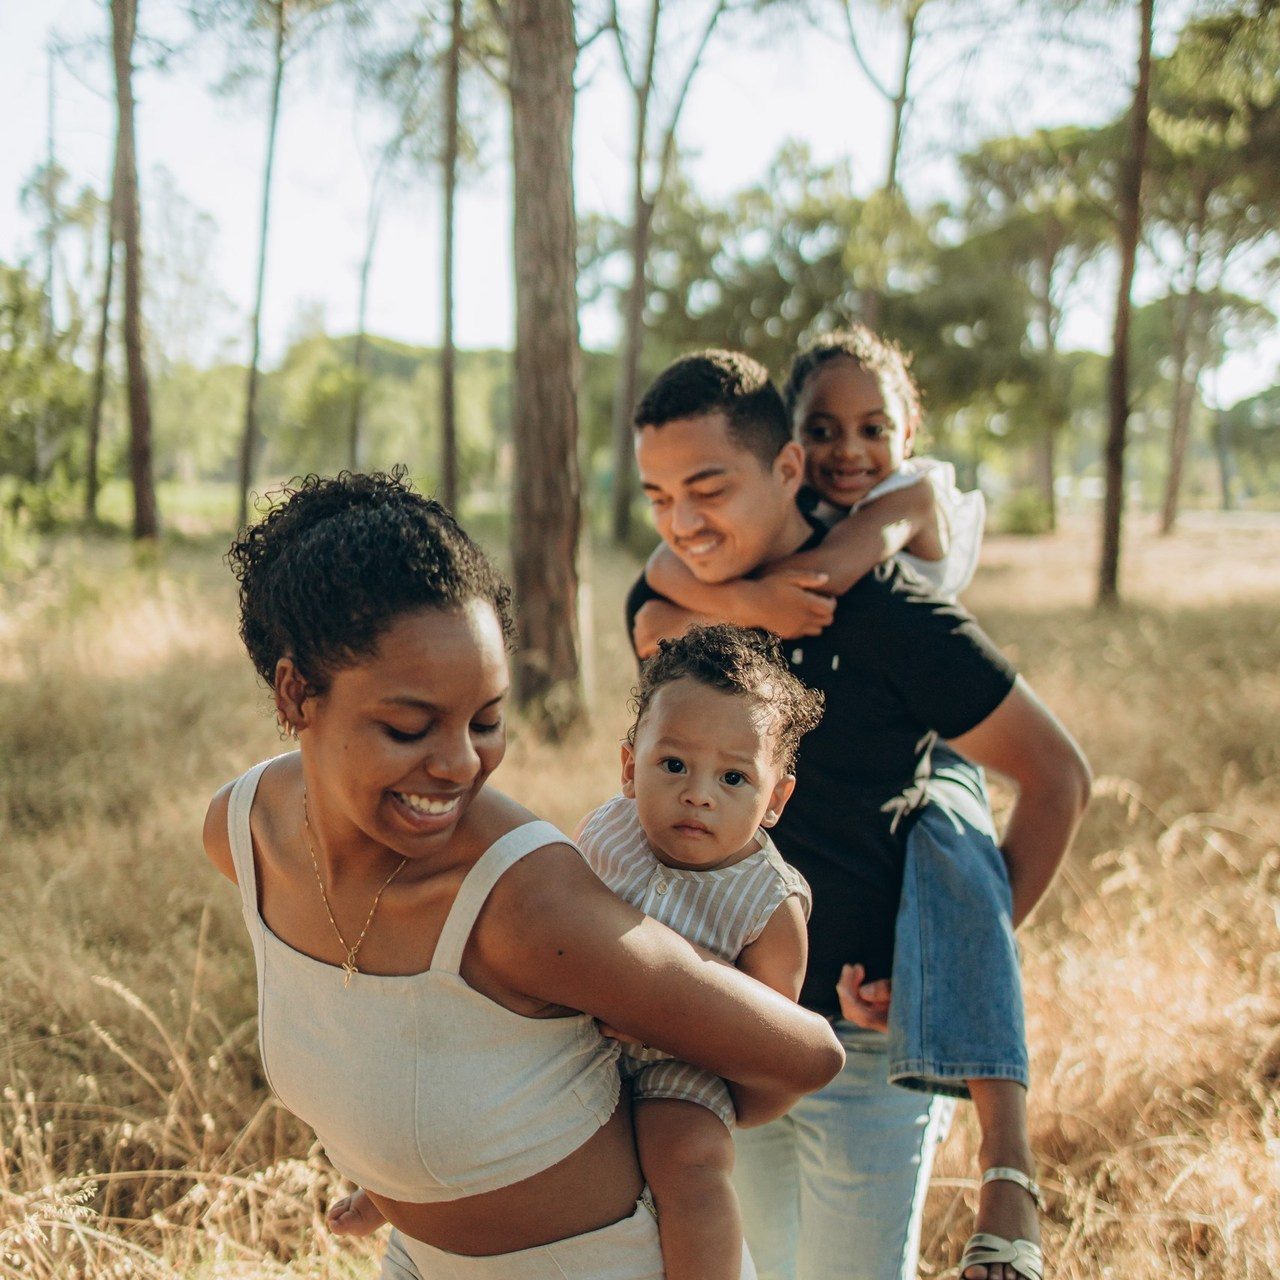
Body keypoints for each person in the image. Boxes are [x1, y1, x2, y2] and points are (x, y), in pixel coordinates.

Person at [202, 469, 845, 1279]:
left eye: (487, 719)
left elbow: (810, 1055)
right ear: (297, 694)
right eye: (409, 726)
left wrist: (671, 1000)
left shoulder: (527, 902)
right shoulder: (243, 831)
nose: (460, 764)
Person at [627, 352, 1092, 1280]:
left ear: (788, 467)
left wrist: (934, 970)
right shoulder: (684, 603)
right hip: (718, 1026)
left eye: (708, 488)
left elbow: (1057, 779)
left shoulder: (890, 615)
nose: (683, 522)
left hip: (858, 1046)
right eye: (658, 497)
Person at [574, 624, 825, 1280]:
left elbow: (769, 1047)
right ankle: (394, 1193)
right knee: (474, 1054)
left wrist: (676, 1025)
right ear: (630, 768)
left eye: (734, 777)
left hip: (679, 1068)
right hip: (569, 1024)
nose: (699, 793)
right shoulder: (607, 830)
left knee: (689, 1164)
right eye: (675, 764)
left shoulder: (769, 904)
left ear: (776, 798)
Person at [636, 325, 984, 658]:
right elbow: (661, 565)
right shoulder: (797, 491)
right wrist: (752, 602)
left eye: (873, 429)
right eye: (821, 431)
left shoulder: (912, 495)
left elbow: (823, 576)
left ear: (908, 433)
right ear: (792, 437)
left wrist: (698, 618)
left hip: (925, 675)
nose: (849, 450)